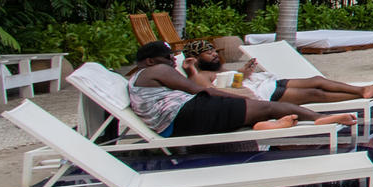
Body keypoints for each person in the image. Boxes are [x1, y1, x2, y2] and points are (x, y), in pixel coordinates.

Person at [126, 43, 358, 137]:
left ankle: (264, 124)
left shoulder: (139, 77)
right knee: (265, 106)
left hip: (176, 123)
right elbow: (199, 91)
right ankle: (319, 119)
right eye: (166, 58)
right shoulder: (157, 70)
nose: (170, 61)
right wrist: (230, 97)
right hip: (185, 115)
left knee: (259, 110)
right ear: (148, 61)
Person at [187, 48, 373, 108]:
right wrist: (192, 70)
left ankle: (363, 90)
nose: (214, 54)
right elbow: (212, 92)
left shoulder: (216, 70)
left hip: (266, 83)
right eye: (207, 53)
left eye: (213, 50)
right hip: (262, 95)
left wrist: (244, 73)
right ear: (195, 59)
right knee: (313, 94)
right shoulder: (201, 76)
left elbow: (231, 82)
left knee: (316, 80)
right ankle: (359, 95)